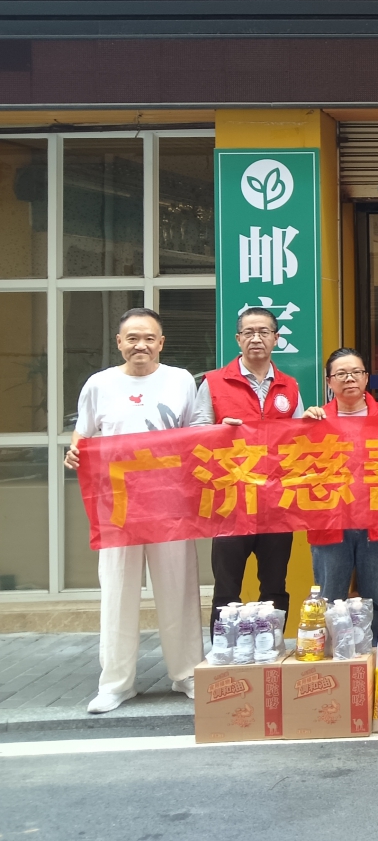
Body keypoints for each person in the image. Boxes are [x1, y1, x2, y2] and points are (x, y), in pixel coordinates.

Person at [65, 308, 203, 714]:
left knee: (178, 588)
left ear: (161, 343)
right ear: (119, 342)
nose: (140, 345)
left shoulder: (181, 380)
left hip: (169, 502)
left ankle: (186, 673)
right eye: (132, 338)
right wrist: (74, 453)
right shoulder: (100, 384)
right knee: (117, 591)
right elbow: (83, 434)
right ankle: (116, 683)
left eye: (148, 338)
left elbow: (196, 432)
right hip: (117, 504)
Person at [195, 306, 306, 628]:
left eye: (263, 332)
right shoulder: (213, 383)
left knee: (274, 587)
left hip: (275, 505)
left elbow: (301, 441)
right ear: (238, 339)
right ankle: (225, 653)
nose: (256, 339)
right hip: (231, 502)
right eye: (249, 333)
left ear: (276, 338)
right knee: (227, 589)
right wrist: (219, 431)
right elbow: (195, 434)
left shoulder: (290, 386)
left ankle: (271, 648)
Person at [303, 348, 378, 643]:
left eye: (356, 372)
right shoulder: (315, 420)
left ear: (366, 377)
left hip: (377, 520)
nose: (349, 379)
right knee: (331, 599)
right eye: (341, 374)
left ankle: (376, 654)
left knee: (376, 599)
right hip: (331, 521)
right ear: (329, 381)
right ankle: (334, 659)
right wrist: (302, 428)